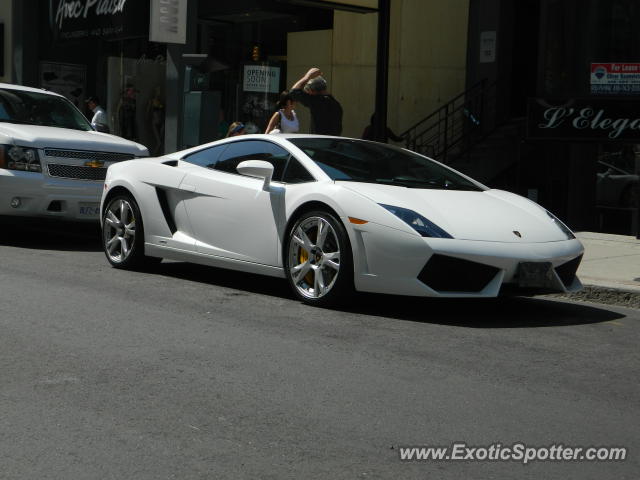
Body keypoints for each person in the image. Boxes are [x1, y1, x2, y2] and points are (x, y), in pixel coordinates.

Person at [290, 67, 342, 135]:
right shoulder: (336, 104)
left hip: (319, 142)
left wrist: (307, 77)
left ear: (312, 91)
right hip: (333, 142)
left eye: (308, 92)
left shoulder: (318, 101)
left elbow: (293, 92)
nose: (308, 94)